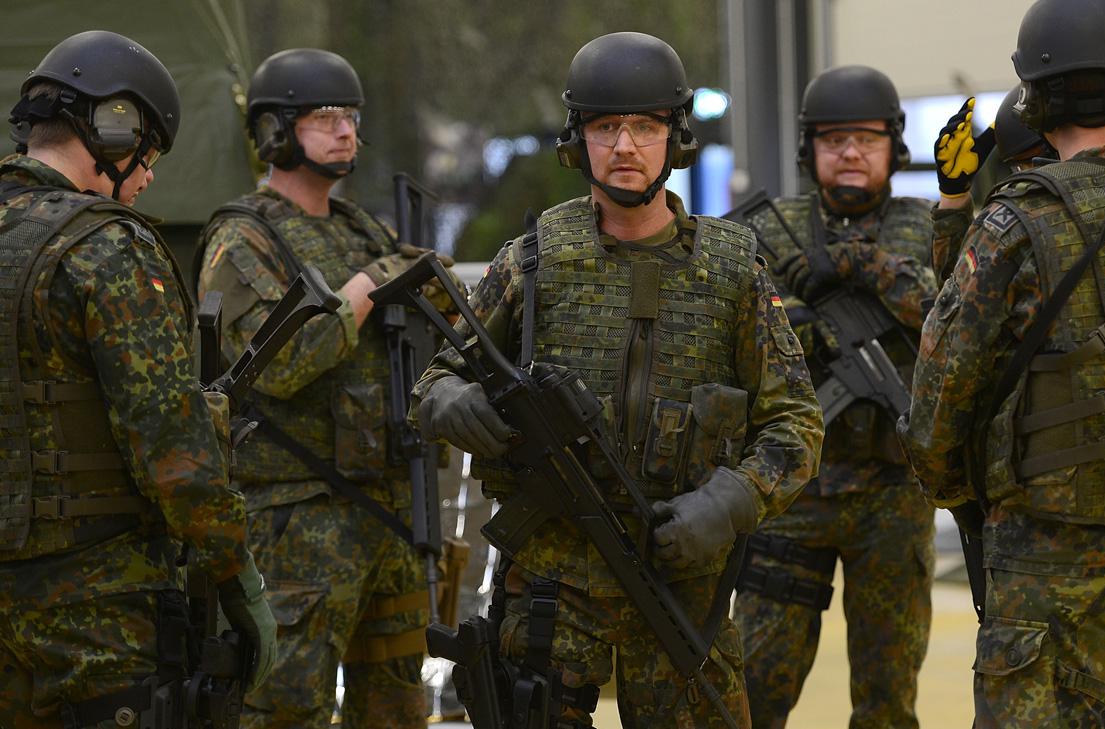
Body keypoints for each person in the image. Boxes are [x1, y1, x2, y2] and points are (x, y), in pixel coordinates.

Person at [411, 31, 823, 728]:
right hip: (552, 584)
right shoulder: (533, 262)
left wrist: (727, 503)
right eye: (606, 127)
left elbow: (796, 424)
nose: (625, 146)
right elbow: (434, 381)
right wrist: (455, 400)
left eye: (645, 126)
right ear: (579, 139)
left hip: (679, 584)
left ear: (675, 137)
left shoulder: (733, 272)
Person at [898, 0, 1105, 725]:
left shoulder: (1014, 223)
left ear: (1037, 96)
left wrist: (976, 499)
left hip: (1052, 574)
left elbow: (934, 414)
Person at [0, 30, 275, 728]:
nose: (148, 178)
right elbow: (172, 445)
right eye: (147, 156)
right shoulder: (108, 247)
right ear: (112, 126)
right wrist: (235, 573)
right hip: (96, 615)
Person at [196, 48, 458, 728]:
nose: (345, 132)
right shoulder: (242, 237)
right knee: (284, 707)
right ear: (275, 131)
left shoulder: (361, 228)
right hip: (297, 521)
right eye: (324, 117)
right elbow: (278, 363)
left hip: (389, 510)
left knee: (397, 708)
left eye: (351, 117)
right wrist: (373, 284)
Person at [730, 65, 938, 729]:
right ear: (810, 147)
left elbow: (956, 319)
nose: (850, 152)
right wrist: (798, 319)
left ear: (893, 146)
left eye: (866, 139)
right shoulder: (768, 229)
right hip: (793, 485)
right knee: (755, 684)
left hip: (894, 492)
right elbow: (734, 318)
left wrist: (864, 265)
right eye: (834, 139)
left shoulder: (929, 227)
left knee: (887, 696)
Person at [931, 86, 1057, 283]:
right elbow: (958, 289)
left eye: (1036, 161)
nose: (1028, 176)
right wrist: (953, 195)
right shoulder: (1010, 228)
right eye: (1020, 166)